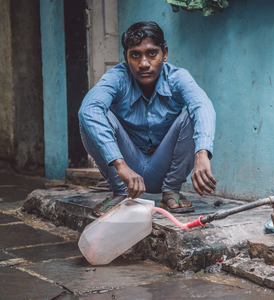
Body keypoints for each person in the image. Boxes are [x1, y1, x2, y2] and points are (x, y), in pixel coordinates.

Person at [78, 21, 217, 217]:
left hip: (164, 168)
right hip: (127, 171)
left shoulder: (177, 77)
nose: (144, 63)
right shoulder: (117, 78)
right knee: (91, 115)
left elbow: (202, 105)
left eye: (152, 53)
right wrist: (120, 165)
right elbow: (89, 110)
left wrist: (202, 153)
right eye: (135, 55)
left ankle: (171, 192)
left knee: (192, 114)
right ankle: (121, 193)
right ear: (126, 57)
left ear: (164, 53)